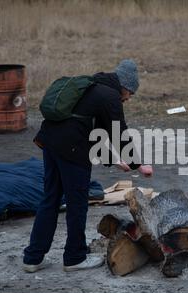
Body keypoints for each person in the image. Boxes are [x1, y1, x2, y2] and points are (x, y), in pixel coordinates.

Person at [23, 59, 153, 273]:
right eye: (131, 94)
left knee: (50, 198)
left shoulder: (92, 86)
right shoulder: (110, 97)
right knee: (77, 203)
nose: (128, 99)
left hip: (51, 142)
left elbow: (92, 131)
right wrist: (138, 165)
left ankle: (32, 258)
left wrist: (114, 161)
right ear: (126, 87)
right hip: (72, 150)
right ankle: (74, 258)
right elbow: (119, 134)